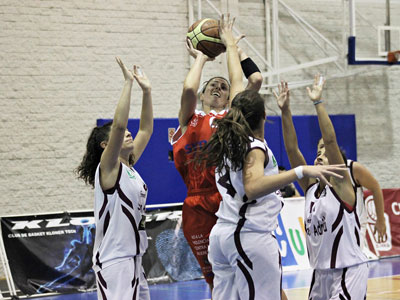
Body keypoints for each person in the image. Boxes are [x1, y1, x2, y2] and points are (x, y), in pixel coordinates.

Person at [193, 87, 345, 300]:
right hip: (249, 235)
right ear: (263, 116)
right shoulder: (254, 146)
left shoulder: (231, 143)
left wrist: (286, 111)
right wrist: (300, 171)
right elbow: (252, 188)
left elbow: (291, 148)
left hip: (223, 236)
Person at [171, 14, 263, 289]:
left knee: (252, 275)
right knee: (218, 282)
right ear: (202, 95)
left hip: (228, 200)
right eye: (213, 85)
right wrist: (201, 57)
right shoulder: (190, 119)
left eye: (224, 86)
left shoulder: (232, 116)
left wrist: (235, 47)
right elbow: (188, 86)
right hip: (196, 205)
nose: (219, 88)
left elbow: (255, 80)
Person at [276, 76, 369, 299]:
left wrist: (318, 103)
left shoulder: (342, 183)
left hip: (349, 271)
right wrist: (285, 111)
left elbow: (330, 140)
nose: (321, 153)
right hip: (320, 274)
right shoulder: (310, 188)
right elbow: (291, 150)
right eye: (318, 151)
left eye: (325, 153)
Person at [76, 57, 153, 300]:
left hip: (134, 258)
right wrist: (127, 84)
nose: (128, 133)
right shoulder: (108, 168)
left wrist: (147, 91)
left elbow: (146, 130)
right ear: (105, 145)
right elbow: (120, 127)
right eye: (121, 134)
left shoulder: (128, 165)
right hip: (115, 260)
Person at [317, 141, 387, 258]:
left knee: (352, 261)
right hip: (332, 227)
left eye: (326, 146)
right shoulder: (319, 173)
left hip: (355, 225)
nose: (323, 151)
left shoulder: (352, 168)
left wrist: (380, 220)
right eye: (320, 148)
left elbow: (375, 187)